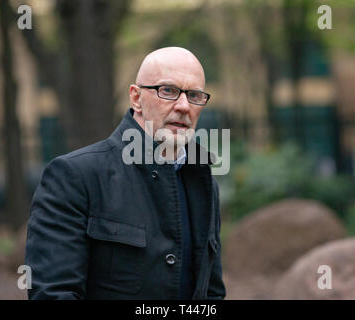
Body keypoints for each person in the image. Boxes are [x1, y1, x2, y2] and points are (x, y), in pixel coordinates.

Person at [25, 47, 226, 300]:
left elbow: (211, 294)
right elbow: (52, 294)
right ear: (136, 98)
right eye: (168, 91)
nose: (184, 106)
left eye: (194, 95)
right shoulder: (75, 177)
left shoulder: (204, 184)